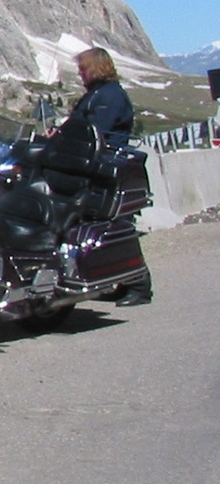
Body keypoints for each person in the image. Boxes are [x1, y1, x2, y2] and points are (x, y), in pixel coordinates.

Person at [58, 48, 151, 305]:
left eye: (83, 68)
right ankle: (113, 276)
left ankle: (140, 285)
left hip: (106, 170)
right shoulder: (95, 95)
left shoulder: (109, 96)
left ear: (97, 67)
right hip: (90, 168)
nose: (80, 72)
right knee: (92, 224)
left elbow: (96, 130)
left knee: (116, 225)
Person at [60, 47, 136, 149]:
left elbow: (94, 131)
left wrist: (62, 136)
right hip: (82, 151)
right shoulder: (96, 93)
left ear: (96, 69)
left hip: (100, 154)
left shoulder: (111, 95)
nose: (79, 73)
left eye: (83, 69)